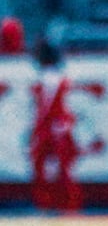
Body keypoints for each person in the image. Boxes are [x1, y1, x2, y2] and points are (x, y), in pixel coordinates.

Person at [29, 39, 82, 212]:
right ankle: (63, 204)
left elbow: (47, 108)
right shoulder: (57, 78)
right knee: (60, 168)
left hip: (53, 128)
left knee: (51, 167)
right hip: (58, 127)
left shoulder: (49, 79)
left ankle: (55, 204)